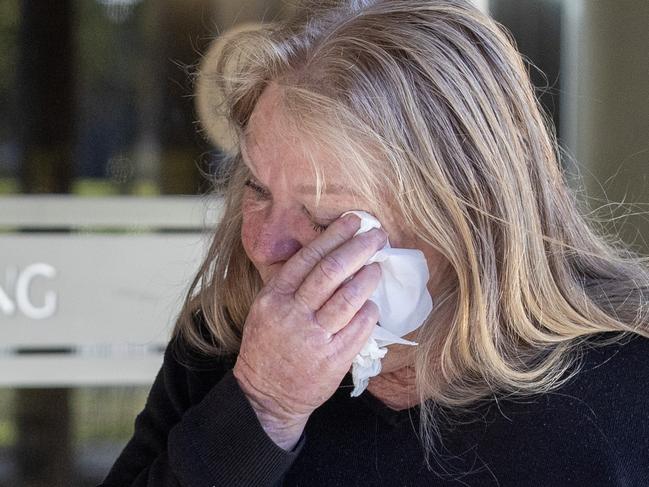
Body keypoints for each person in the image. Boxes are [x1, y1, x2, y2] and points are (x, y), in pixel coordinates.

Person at [101, 0, 649, 485]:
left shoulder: (623, 386)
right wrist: (261, 409)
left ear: (461, 217)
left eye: (325, 218)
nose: (264, 246)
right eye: (259, 189)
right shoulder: (224, 341)